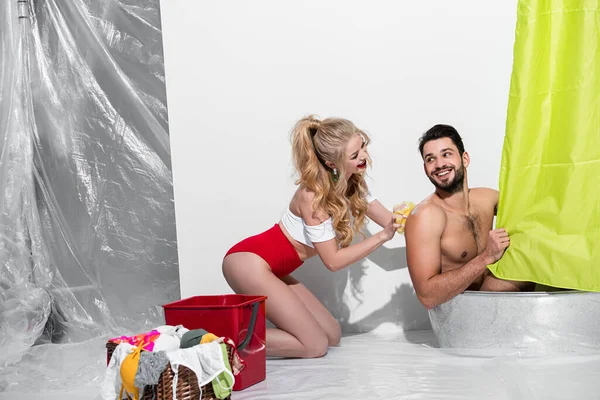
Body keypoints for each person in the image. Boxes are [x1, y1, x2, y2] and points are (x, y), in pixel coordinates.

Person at [222, 115, 400, 358]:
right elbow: (333, 261)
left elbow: (391, 220)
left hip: (274, 268)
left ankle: (232, 337)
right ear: (331, 162)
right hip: (248, 263)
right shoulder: (313, 196)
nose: (364, 156)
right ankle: (217, 337)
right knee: (315, 346)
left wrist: (427, 212)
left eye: (363, 146)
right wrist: (382, 237)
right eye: (355, 155)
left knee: (332, 336)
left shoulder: (350, 184)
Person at [404, 124, 533, 310]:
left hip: (494, 307)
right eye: (430, 159)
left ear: (465, 159)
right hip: (458, 315)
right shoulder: (426, 216)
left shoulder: (487, 198)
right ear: (425, 169)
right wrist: (487, 257)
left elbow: (530, 214)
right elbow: (427, 297)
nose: (439, 164)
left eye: (446, 154)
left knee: (530, 257)